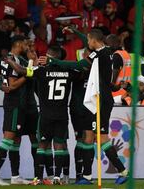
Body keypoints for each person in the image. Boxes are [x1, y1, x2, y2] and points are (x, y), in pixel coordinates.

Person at [40, 29, 129, 185]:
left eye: (88, 41)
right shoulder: (107, 50)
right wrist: (75, 31)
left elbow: (79, 64)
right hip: (99, 99)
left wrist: (54, 62)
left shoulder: (98, 55)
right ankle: (87, 176)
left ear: (93, 41)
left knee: (101, 138)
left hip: (102, 101)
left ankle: (123, 171)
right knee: (89, 135)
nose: (86, 43)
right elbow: (91, 38)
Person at [5, 45, 77, 185]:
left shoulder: (41, 70)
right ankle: (57, 177)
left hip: (46, 116)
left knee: (42, 146)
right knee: (59, 146)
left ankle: (37, 178)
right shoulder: (68, 71)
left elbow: (21, 70)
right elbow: (82, 71)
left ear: (48, 56)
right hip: (62, 115)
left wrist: (10, 61)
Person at [0, 36, 31, 186]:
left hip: (12, 103)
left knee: (16, 140)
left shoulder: (4, 58)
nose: (27, 46)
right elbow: (12, 85)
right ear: (18, 44)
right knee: (8, 137)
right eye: (25, 44)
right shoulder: (16, 61)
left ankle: (15, 176)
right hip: (15, 103)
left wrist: (2, 81)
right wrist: (27, 76)